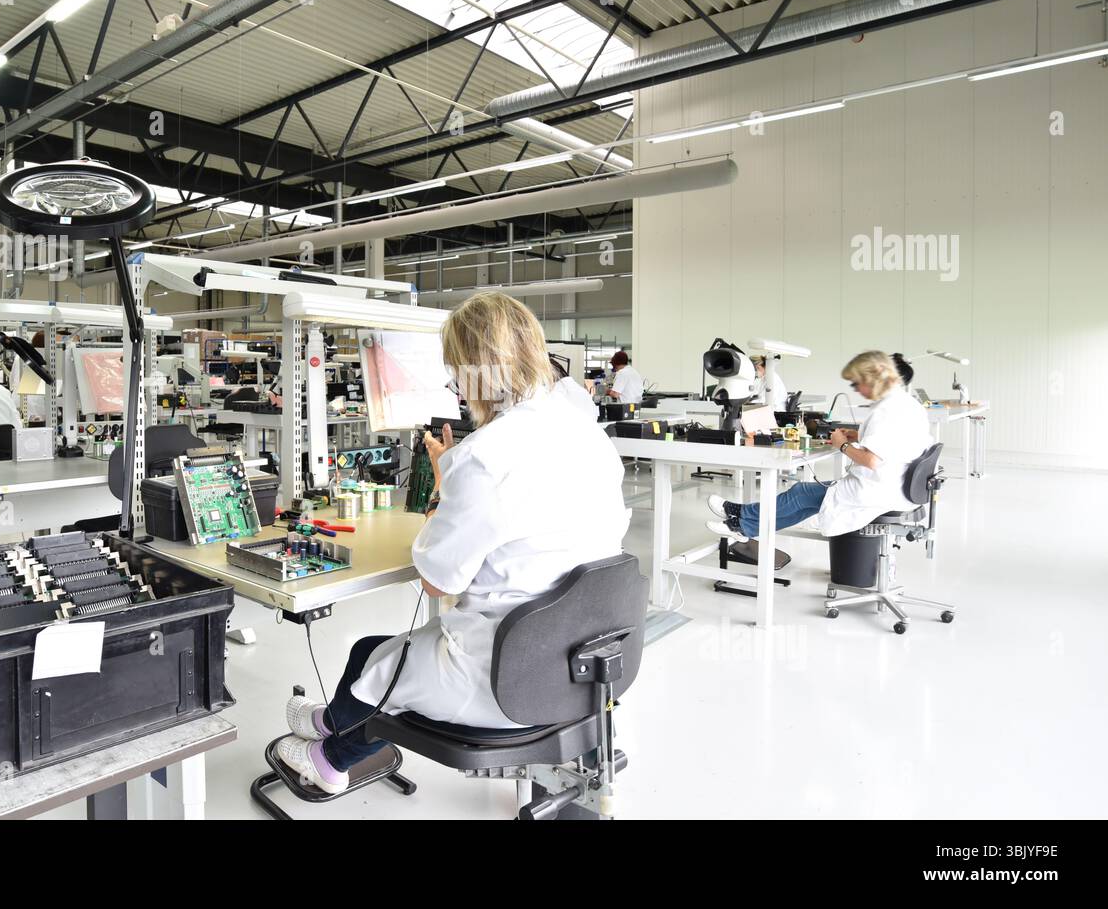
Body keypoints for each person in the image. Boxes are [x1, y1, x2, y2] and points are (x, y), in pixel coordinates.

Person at [274, 292, 631, 795]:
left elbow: (438, 579)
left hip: (499, 672)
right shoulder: (584, 432)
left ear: (474, 368)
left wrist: (447, 488)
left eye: (455, 371)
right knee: (369, 651)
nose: (456, 385)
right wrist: (454, 480)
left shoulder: (485, 455)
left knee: (380, 665)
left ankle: (329, 761)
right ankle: (333, 722)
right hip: (580, 662)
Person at [706, 350, 932, 541]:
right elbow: (892, 443)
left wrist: (842, 445)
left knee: (800, 493)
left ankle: (740, 522)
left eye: (860, 382)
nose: (858, 388)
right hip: (897, 486)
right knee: (803, 501)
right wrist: (857, 435)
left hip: (877, 489)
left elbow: (872, 460)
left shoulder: (885, 410)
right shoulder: (909, 405)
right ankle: (744, 524)